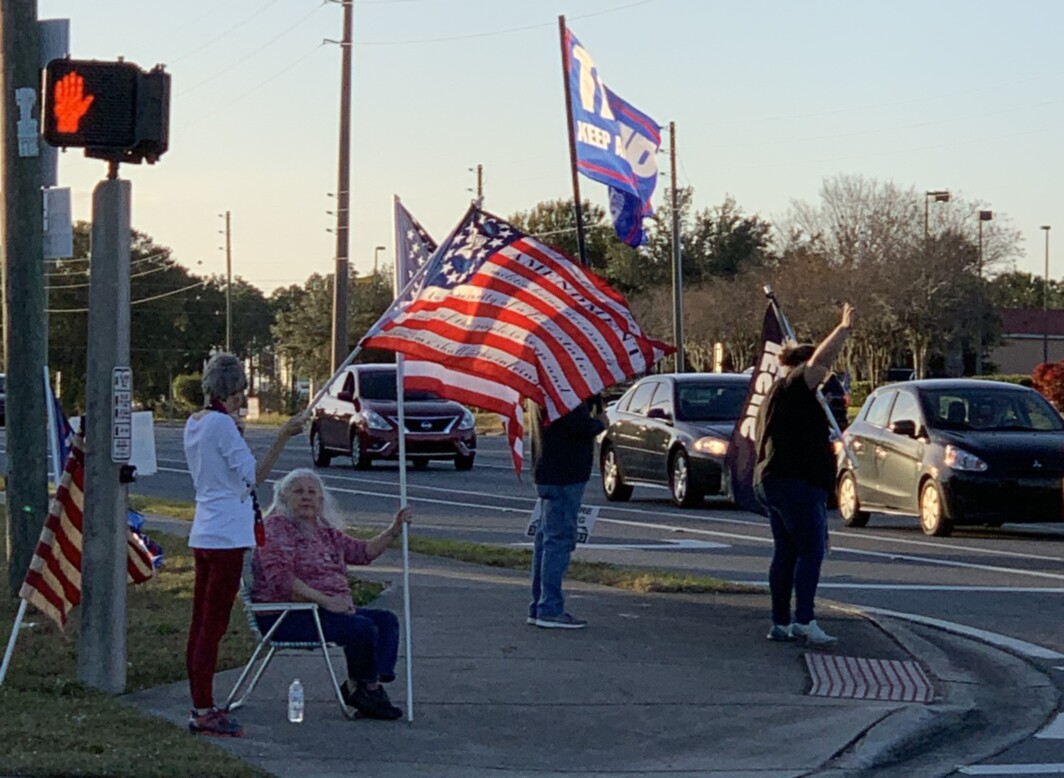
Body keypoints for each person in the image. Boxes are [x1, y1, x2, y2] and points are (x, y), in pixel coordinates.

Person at [184, 353, 307, 737]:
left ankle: (200, 700)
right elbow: (255, 475)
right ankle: (204, 708)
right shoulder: (222, 425)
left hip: (205, 528)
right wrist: (283, 436)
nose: (242, 398)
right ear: (231, 391)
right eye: (239, 392)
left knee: (200, 622)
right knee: (213, 625)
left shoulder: (196, 422)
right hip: (226, 536)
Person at [252, 468, 412, 720]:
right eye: (298, 491)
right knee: (361, 628)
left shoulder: (324, 530)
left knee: (385, 621)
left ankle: (364, 687)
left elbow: (362, 553)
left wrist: (394, 529)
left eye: (312, 492)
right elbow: (281, 580)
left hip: (325, 611)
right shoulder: (277, 527)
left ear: (321, 500)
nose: (306, 497)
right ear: (284, 498)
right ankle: (366, 691)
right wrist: (327, 601)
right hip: (287, 615)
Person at [754, 304, 855, 646]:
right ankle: (804, 620)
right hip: (795, 480)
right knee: (811, 550)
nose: (826, 378)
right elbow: (819, 364)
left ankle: (779, 622)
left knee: (786, 550)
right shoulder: (794, 385)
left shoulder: (777, 394)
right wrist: (842, 330)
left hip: (774, 480)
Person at [527, 397, 606, 629]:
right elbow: (578, 425)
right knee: (558, 540)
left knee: (546, 540)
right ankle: (549, 607)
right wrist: (599, 423)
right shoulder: (563, 391)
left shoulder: (539, 391)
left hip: (547, 470)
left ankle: (539, 604)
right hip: (565, 473)